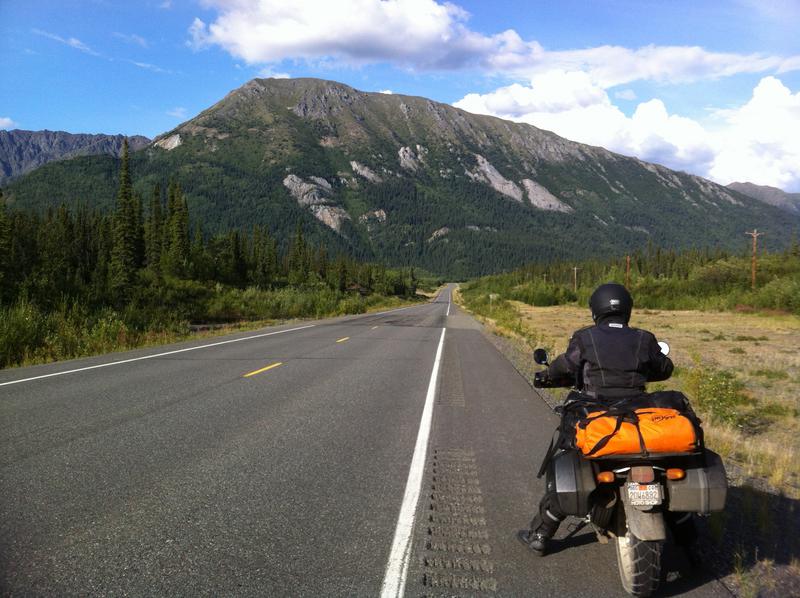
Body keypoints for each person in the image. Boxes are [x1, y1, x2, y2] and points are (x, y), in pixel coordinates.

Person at [518, 282, 676, 555]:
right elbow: (664, 368)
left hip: (597, 413)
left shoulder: (585, 338)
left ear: (596, 310)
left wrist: (546, 375)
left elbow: (564, 366)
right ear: (627, 309)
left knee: (570, 455)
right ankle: (690, 543)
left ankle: (541, 534)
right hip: (636, 413)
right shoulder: (645, 338)